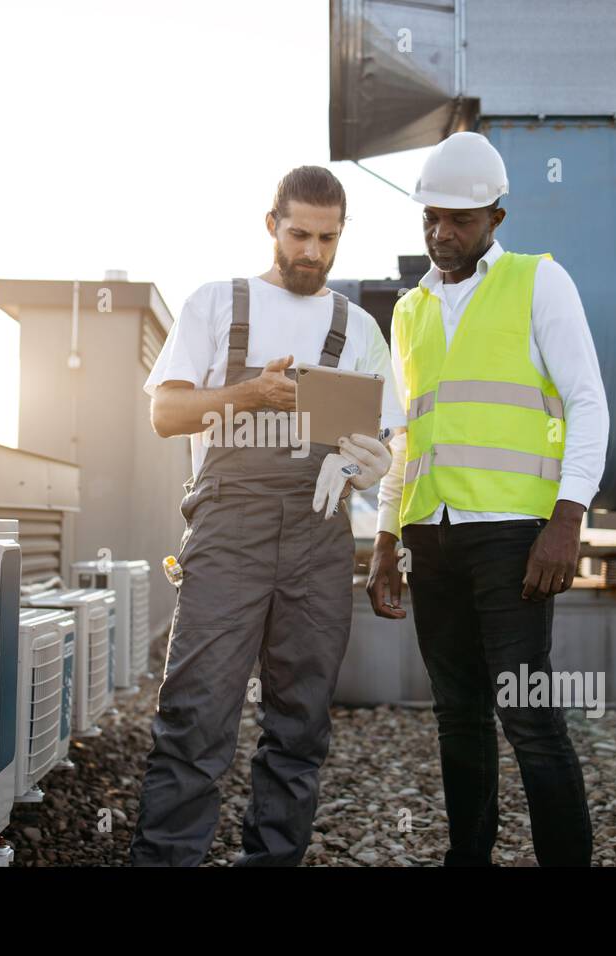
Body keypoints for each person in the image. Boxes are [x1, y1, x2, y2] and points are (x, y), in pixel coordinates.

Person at [130, 166, 405, 866]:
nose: (312, 252)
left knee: (301, 725)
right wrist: (251, 392)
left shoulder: (358, 327)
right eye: (300, 234)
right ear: (271, 225)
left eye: (328, 238)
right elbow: (165, 413)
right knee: (196, 716)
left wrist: (368, 462)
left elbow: (391, 432)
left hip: (320, 537)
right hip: (228, 530)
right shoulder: (217, 303)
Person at [367, 131, 609, 867]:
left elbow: (588, 401)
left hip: (513, 537)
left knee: (527, 715)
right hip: (430, 539)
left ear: (495, 220)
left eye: (460, 221)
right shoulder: (408, 312)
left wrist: (567, 519)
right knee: (456, 717)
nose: (443, 233)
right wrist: (384, 540)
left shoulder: (538, 281)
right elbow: (402, 437)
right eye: (431, 219)